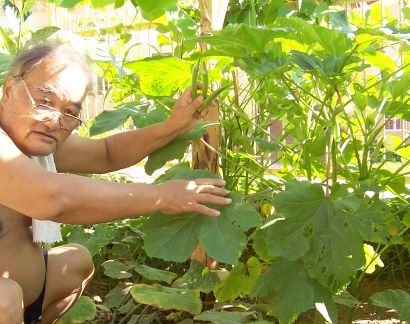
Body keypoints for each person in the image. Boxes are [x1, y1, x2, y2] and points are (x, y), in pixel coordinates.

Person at [0, 42, 231, 324]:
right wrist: (159, 196)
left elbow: (105, 154)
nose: (54, 122)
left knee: (76, 263)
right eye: (45, 101)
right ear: (10, 88)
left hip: (25, 301)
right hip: (6, 300)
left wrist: (173, 126)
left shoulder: (35, 139)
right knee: (5, 297)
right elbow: (49, 197)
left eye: (70, 112)